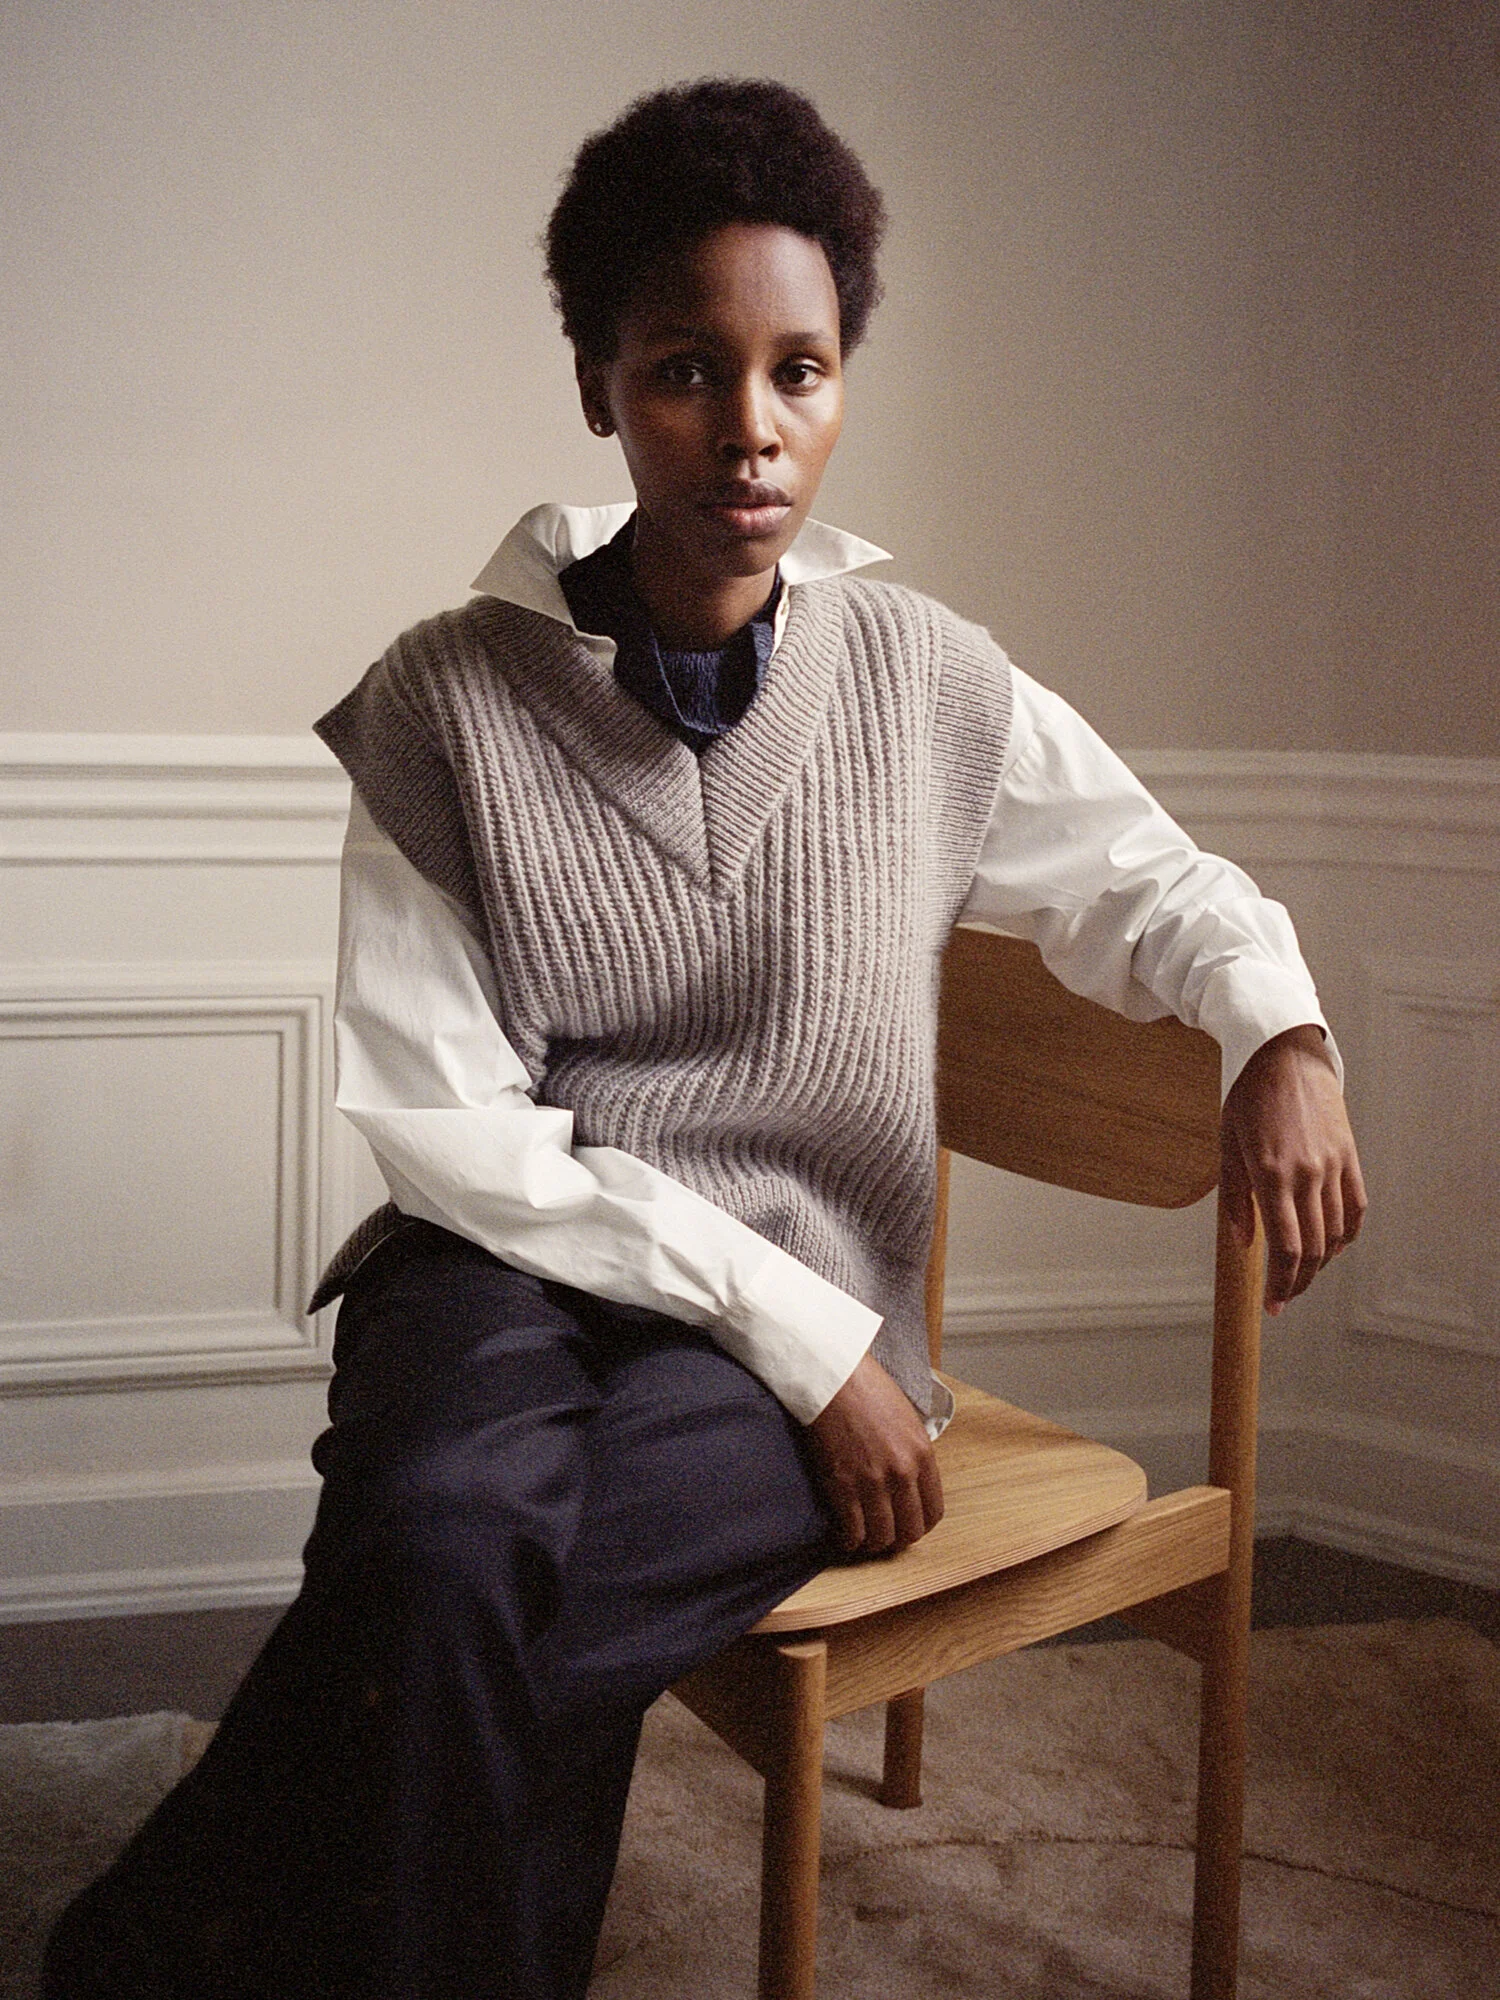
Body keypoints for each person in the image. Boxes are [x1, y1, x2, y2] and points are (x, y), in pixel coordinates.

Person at [44, 76, 1365, 2000]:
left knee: (458, 1594)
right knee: (447, 1531)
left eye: (799, 372)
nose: (752, 427)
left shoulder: (928, 683)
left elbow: (1156, 885)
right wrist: (816, 1348)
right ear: (599, 384)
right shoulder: (445, 702)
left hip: (793, 1317)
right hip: (505, 1271)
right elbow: (445, 1122)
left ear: (838, 386)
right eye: (686, 369)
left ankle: (162, 1930)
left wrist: (1284, 1029)